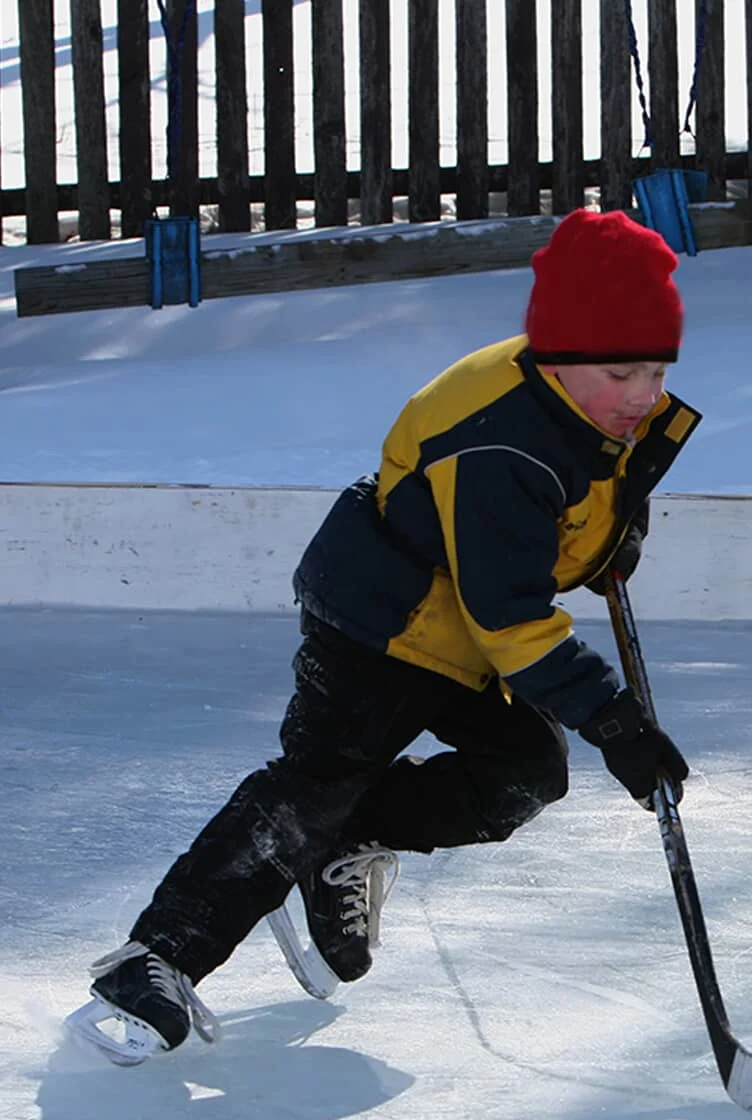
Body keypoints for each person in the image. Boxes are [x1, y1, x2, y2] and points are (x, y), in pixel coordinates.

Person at [68, 207, 701, 1065]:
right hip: (376, 622)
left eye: (657, 370)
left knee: (523, 775)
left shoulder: (587, 408)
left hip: (461, 632)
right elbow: (512, 615)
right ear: (557, 356)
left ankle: (348, 840)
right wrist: (615, 720)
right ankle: (155, 959)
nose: (644, 395)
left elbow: (588, 499)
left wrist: (611, 536)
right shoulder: (501, 447)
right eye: (623, 370)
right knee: (312, 788)